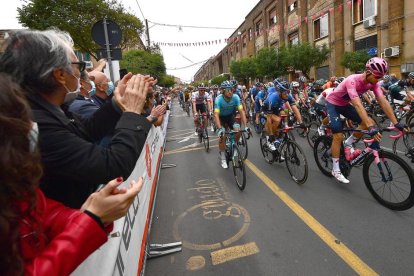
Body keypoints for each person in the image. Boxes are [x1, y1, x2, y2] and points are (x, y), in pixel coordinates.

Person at [0, 73, 143, 275]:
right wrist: (91, 220)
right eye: (21, 120)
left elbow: (46, 213)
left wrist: (91, 213)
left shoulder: (17, 189)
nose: (31, 127)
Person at [0, 29, 156, 208]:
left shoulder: (46, 109)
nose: (83, 75)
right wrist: (132, 112)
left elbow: (86, 129)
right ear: (60, 75)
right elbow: (113, 165)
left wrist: (117, 103)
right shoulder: (36, 123)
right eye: (79, 67)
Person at [325, 57, 405, 183]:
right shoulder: (352, 80)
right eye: (377, 77)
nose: (378, 80)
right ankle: (335, 169)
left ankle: (349, 143)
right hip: (333, 104)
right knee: (338, 135)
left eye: (381, 77)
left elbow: (383, 101)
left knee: (368, 122)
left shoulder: (374, 83)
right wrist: (370, 127)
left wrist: (396, 122)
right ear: (368, 72)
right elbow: (357, 104)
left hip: (344, 104)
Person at [214, 80, 249, 168]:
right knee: (223, 136)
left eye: (231, 90)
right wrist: (219, 128)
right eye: (227, 90)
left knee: (238, 130)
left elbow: (241, 112)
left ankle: (234, 145)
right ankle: (222, 158)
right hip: (221, 118)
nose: (230, 92)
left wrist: (246, 126)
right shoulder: (218, 99)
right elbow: (216, 115)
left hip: (230, 116)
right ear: (222, 91)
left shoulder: (236, 97)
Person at [263, 81, 304, 151]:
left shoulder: (288, 95)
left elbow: (295, 108)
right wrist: (271, 134)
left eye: (288, 92)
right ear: (280, 92)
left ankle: (285, 125)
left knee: (286, 111)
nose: (287, 95)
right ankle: (269, 139)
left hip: (277, 107)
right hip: (267, 109)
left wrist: (301, 122)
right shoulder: (273, 98)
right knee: (277, 120)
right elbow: (269, 118)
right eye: (285, 93)